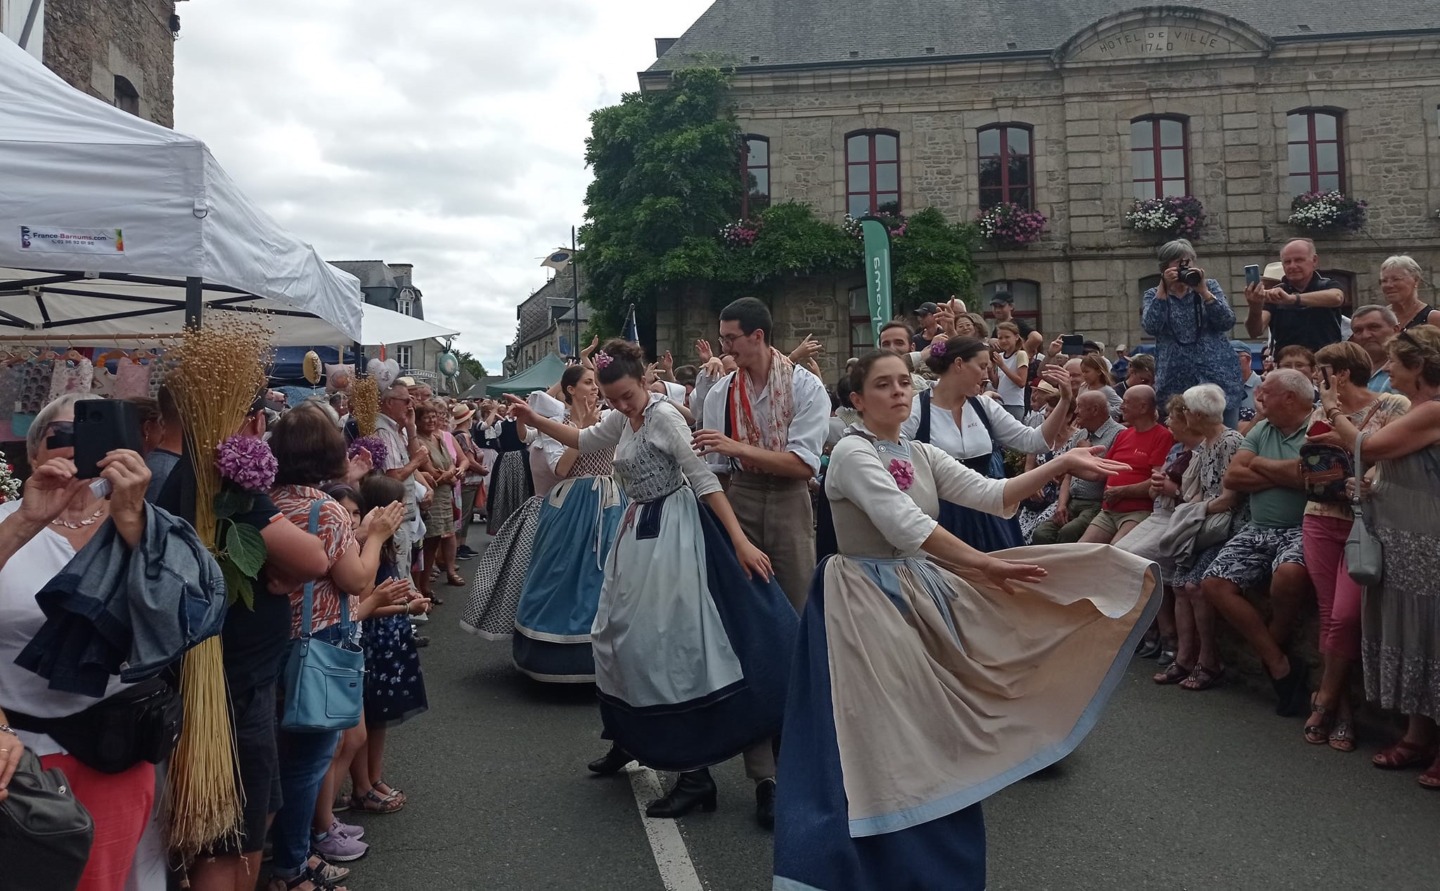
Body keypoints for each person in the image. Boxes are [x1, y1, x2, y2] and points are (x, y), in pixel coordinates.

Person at [771, 350, 1158, 891]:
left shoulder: (918, 452)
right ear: (856, 401)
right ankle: (860, 853)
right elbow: (904, 524)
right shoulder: (853, 454)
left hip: (916, 588)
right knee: (878, 729)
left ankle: (917, 843)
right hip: (862, 600)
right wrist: (979, 565)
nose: (900, 392)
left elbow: (992, 495)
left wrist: (1063, 463)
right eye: (883, 385)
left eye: (905, 382)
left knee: (927, 723)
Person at [507, 340, 798, 828]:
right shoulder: (625, 418)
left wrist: (740, 542)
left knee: (667, 645)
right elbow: (583, 441)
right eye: (612, 398)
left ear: (644, 381)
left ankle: (693, 773)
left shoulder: (663, 416)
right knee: (614, 637)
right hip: (638, 530)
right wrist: (535, 422)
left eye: (626, 395)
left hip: (675, 533)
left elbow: (702, 479)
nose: (620, 405)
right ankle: (633, 738)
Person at [0, 394, 175, 891]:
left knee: (110, 880)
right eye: (61, 438)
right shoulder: (7, 521)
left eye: (93, 436)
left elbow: (176, 622)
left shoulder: (147, 526)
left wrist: (134, 521)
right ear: (33, 453)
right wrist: (26, 521)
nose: (78, 450)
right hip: (16, 750)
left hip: (115, 746)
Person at [267, 406, 406, 890]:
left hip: (272, 641)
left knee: (278, 756)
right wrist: (378, 536)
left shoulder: (267, 501)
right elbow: (356, 578)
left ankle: (281, 853)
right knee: (308, 760)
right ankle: (294, 861)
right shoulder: (324, 508)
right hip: (319, 643)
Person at [1330, 326, 1440, 784]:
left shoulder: (1434, 409)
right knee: (1414, 635)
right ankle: (1416, 736)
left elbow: (1366, 446)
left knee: (1432, 635)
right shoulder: (1416, 409)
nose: (1387, 368)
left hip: (1428, 540)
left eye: (1395, 361)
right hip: (1402, 536)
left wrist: (1334, 411)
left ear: (1418, 367)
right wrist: (1374, 485)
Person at [1299, 342, 1408, 752]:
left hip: (1368, 523)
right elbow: (1314, 457)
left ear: (1340, 374)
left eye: (1321, 370)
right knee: (1329, 614)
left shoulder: (1393, 405)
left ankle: (1324, 698)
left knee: (1346, 617)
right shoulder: (1319, 410)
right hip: (1321, 516)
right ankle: (1342, 712)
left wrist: (1338, 424)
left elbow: (1381, 454)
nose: (1314, 377)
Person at [1202, 369, 1316, 717]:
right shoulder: (1261, 429)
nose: (1259, 398)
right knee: (1214, 583)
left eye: (1266, 393)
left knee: (1290, 573)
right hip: (1258, 527)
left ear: (1290, 398)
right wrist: (1288, 474)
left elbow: (1310, 476)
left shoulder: (1318, 428)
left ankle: (1273, 644)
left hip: (1301, 528)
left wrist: (1263, 467)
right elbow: (1234, 476)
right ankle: (1279, 663)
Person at [900, 337, 1077, 551]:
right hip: (941, 517)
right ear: (958, 364)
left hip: (988, 512)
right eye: (982, 366)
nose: (987, 375)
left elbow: (1035, 441)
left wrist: (1065, 401)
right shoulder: (916, 409)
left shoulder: (983, 406)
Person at [510, 365, 625, 683]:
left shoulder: (610, 418)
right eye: (589, 382)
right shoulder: (554, 426)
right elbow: (560, 469)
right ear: (570, 389)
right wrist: (583, 431)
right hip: (571, 502)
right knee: (563, 573)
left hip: (610, 501)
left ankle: (615, 653)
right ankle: (560, 656)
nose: (595, 388)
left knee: (610, 574)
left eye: (596, 383)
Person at [348, 476, 430, 814]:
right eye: (400, 504)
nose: (406, 508)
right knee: (366, 719)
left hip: (390, 636)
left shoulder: (385, 543)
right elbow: (365, 603)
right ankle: (362, 786)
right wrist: (405, 607)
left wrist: (408, 594)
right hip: (374, 639)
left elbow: (389, 585)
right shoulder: (368, 545)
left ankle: (374, 776)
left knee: (381, 718)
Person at [1156, 385, 1246, 691]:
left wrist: (1189, 513)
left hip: (1224, 527)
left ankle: (1208, 661)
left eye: (1185, 412)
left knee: (1195, 586)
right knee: (1180, 584)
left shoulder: (1231, 442)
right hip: (1204, 525)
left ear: (1196, 415)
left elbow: (1229, 500)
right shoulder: (1206, 445)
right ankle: (1185, 658)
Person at [1141, 238, 1244, 427]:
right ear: (1164, 268)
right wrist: (1163, 291)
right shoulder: (1153, 295)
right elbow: (1151, 326)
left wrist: (1203, 292)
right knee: (1182, 439)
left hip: (1217, 376)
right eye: (1177, 263)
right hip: (1175, 380)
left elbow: (1226, 321)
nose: (1184, 268)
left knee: (1223, 436)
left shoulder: (1210, 286)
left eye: (1188, 262)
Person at [1078, 386, 1176, 545]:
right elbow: (1100, 472)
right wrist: (1064, 468)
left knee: (1116, 552)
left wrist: (1123, 491)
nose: (1121, 406)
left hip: (1138, 511)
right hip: (1109, 510)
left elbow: (1156, 481)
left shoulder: (1162, 436)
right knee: (1082, 549)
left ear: (1143, 407)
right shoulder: (1124, 434)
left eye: (1126, 402)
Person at [1029, 391, 1123, 545]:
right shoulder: (1080, 435)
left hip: (1096, 503)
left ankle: (1064, 568)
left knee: (1069, 532)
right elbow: (1068, 476)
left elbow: (1106, 473)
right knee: (1041, 533)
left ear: (1094, 410)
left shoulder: (1118, 434)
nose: (1076, 411)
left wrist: (1088, 456)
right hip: (1072, 500)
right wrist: (1061, 505)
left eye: (1080, 406)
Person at [1244, 238, 1347, 353]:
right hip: (1288, 365)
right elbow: (1254, 331)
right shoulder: (1276, 292)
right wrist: (1255, 307)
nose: (1292, 266)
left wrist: (1292, 299)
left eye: (1299, 260)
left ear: (1314, 261)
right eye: (1287, 262)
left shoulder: (1327, 284)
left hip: (1325, 362)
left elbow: (1336, 298)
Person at [413, 400, 464, 600]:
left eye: (434, 416)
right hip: (431, 496)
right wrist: (447, 476)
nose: (432, 420)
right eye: (427, 417)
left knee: (435, 542)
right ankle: (420, 588)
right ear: (417, 421)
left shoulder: (438, 438)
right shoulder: (417, 441)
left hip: (444, 495)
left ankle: (424, 586)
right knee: (425, 544)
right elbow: (431, 473)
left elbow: (451, 464)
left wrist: (449, 473)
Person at [1379, 254, 1440, 331]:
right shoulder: (1379, 318)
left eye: (1396, 279)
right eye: (1384, 281)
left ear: (1416, 280)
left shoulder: (1434, 319)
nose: (1389, 285)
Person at [1350, 304, 1402, 394]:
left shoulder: (1408, 371)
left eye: (1374, 327)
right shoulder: (1348, 373)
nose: (1365, 335)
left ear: (1396, 330)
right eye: (1358, 331)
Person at [990, 321, 1029, 419]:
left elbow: (1021, 382)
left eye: (1007, 337)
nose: (1003, 341)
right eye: (1000, 338)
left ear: (1016, 337)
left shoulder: (1020, 355)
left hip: (1014, 404)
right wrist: (990, 369)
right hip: (1000, 403)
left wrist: (1002, 366)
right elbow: (997, 384)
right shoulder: (1001, 357)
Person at [989, 290, 1043, 355]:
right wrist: (990, 341)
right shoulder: (997, 328)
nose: (997, 310)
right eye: (995, 307)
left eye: (1001, 306)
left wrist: (1021, 355)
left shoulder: (1016, 323)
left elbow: (1037, 338)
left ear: (1011, 306)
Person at [1079, 354, 1123, 418]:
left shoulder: (1106, 390)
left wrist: (1104, 413)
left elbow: (1121, 406)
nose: (1084, 375)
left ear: (1099, 372)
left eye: (1087, 372)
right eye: (1082, 372)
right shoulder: (1083, 387)